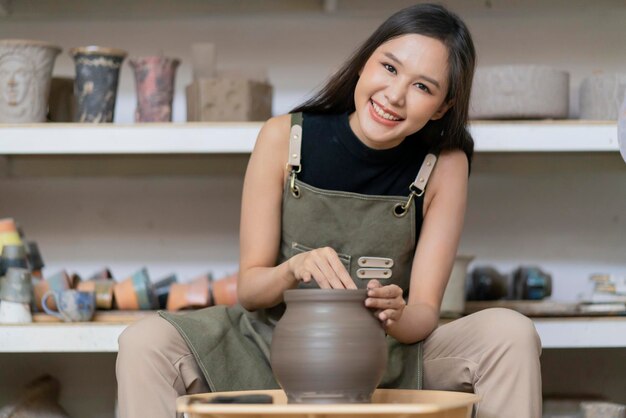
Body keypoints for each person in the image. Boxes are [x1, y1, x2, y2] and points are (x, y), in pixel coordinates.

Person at [116, 4, 542, 418]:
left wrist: (396, 313)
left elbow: (424, 313)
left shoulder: (445, 165)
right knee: (145, 342)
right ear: (363, 64)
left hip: (385, 354)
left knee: (510, 334)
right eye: (389, 68)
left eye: (422, 87)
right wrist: (292, 269)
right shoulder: (284, 137)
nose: (394, 96)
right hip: (273, 345)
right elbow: (249, 289)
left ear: (443, 106)